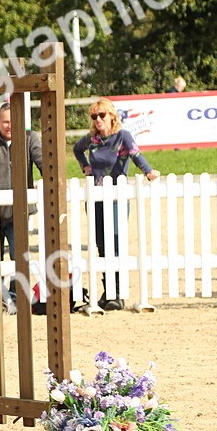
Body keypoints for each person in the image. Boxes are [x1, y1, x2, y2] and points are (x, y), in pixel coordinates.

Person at [72, 98, 160, 311]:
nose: (98, 119)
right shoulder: (92, 140)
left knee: (116, 243)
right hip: (96, 197)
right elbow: (76, 149)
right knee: (101, 244)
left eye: (102, 115)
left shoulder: (122, 137)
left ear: (112, 116)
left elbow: (136, 155)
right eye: (94, 116)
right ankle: (108, 291)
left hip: (116, 198)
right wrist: (85, 166)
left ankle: (119, 293)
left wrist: (148, 171)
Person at [0, 103, 43, 315]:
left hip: (19, 212)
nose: (9, 126)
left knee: (18, 258)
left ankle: (16, 299)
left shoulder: (29, 138)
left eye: (13, 121)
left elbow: (42, 160)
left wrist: (51, 177)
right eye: (5, 121)